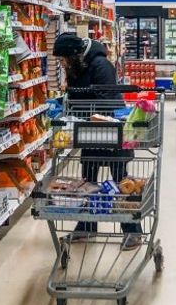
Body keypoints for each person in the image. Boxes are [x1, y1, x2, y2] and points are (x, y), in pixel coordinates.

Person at [52, 32, 143, 251]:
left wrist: (79, 102)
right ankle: (87, 225)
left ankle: (133, 231)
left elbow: (105, 100)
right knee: (87, 181)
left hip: (111, 131)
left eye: (63, 58)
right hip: (89, 133)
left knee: (121, 180)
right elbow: (76, 97)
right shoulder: (76, 66)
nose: (62, 63)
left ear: (74, 54)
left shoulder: (101, 65)